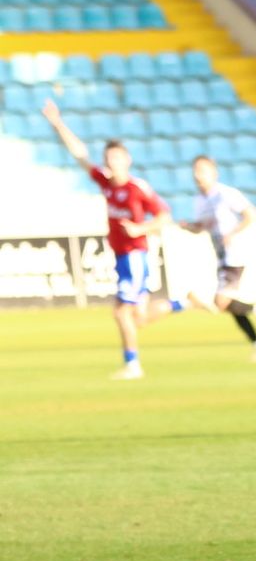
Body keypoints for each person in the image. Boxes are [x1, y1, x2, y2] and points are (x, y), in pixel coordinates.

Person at [41, 99, 184, 379]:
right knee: (138, 319)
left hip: (134, 255)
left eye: (117, 157)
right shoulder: (106, 182)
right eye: (108, 158)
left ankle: (133, 364)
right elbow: (80, 155)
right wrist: (58, 124)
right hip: (121, 255)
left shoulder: (137, 188)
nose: (111, 162)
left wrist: (140, 229)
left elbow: (165, 216)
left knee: (121, 314)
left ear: (127, 160)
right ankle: (183, 302)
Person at [179, 155, 256, 362]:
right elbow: (202, 227)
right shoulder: (199, 200)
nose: (198, 175)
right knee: (230, 305)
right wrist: (189, 227)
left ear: (214, 173)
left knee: (220, 301)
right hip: (221, 256)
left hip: (235, 254)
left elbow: (251, 215)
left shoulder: (226, 194)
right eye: (195, 170)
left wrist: (233, 233)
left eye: (202, 170)